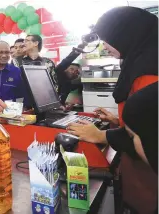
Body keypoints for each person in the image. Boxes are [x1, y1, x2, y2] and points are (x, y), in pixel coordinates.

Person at [67, 6, 158, 214]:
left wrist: (102, 135)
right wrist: (118, 120)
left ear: (125, 35)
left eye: (108, 39)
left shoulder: (149, 73)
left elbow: (151, 136)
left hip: (148, 180)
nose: (105, 46)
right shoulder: (140, 60)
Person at [0, 41, 27, 105]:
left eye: (7, 52)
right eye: (0, 52)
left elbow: (21, 95)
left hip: (10, 112)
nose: (4, 55)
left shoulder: (17, 72)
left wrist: (20, 110)